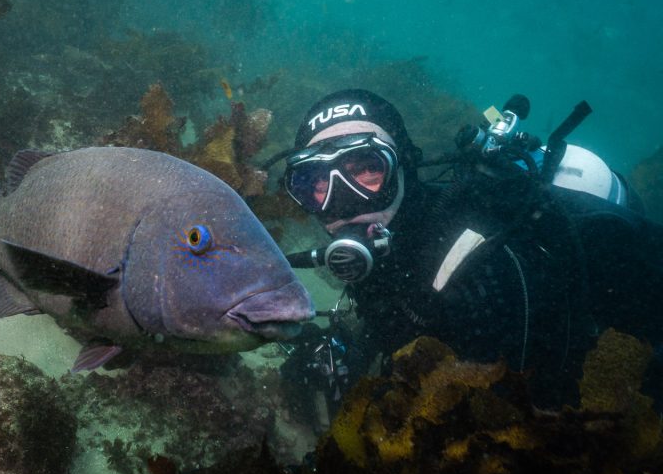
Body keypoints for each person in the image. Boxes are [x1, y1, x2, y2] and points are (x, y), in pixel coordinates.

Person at [280, 89, 663, 408]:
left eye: (366, 169)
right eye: (315, 182)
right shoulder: (391, 251)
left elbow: (507, 403)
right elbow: (400, 321)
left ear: (404, 169)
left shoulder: (479, 259)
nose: (344, 202)